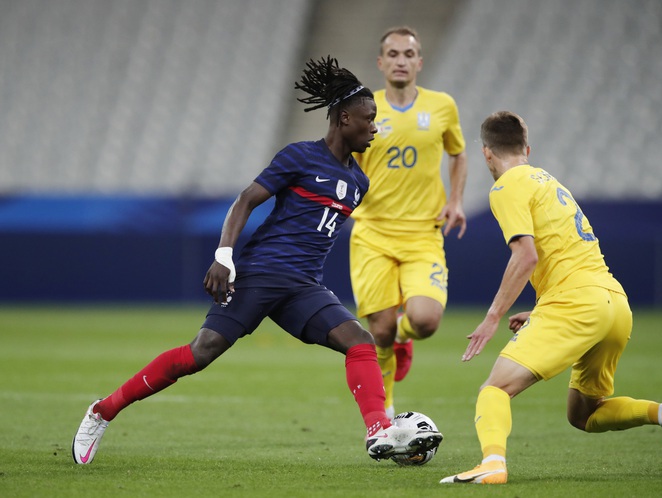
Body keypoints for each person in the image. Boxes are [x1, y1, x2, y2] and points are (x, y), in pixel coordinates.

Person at [71, 56, 442, 465]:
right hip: (261, 273)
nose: (375, 128)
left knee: (360, 342)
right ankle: (102, 411)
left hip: (304, 285)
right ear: (342, 118)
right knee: (201, 352)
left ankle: (378, 429)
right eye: (369, 119)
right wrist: (223, 257)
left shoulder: (359, 181)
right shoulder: (299, 156)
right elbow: (246, 201)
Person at [440, 111, 662, 485]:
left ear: (487, 154)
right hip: (613, 303)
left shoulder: (507, 186)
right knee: (584, 414)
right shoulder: (552, 182)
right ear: (527, 148)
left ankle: (492, 464)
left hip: (578, 305)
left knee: (494, 388)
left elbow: (526, 255)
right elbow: (565, 255)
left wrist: (492, 317)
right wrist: (540, 309)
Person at [350, 26, 468, 418]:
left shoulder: (442, 106)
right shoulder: (364, 108)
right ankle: (384, 419)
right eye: (393, 54)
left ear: (419, 62)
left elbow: (459, 153)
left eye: (408, 54)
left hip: (423, 232)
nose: (401, 60)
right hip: (372, 232)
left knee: (426, 319)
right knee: (378, 331)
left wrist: (455, 200)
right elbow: (347, 161)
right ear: (381, 62)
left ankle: (406, 336)